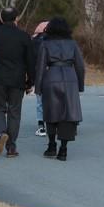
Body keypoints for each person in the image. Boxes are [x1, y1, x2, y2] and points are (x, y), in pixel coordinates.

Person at [0, 8, 35, 158]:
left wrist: (2, 20)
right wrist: (30, 81)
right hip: (17, 79)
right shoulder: (24, 36)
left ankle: (1, 133)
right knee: (14, 113)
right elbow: (30, 61)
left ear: (1, 19)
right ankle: (11, 147)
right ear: (17, 19)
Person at [35, 18, 85, 161]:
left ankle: (51, 146)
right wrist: (80, 85)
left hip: (51, 76)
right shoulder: (73, 44)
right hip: (70, 78)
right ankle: (63, 149)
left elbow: (40, 67)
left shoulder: (45, 44)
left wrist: (38, 87)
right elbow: (80, 66)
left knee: (51, 112)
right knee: (67, 114)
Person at [32, 21, 49, 137]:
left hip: (39, 74)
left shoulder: (33, 41)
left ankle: (41, 126)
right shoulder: (55, 41)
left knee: (40, 102)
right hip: (54, 74)